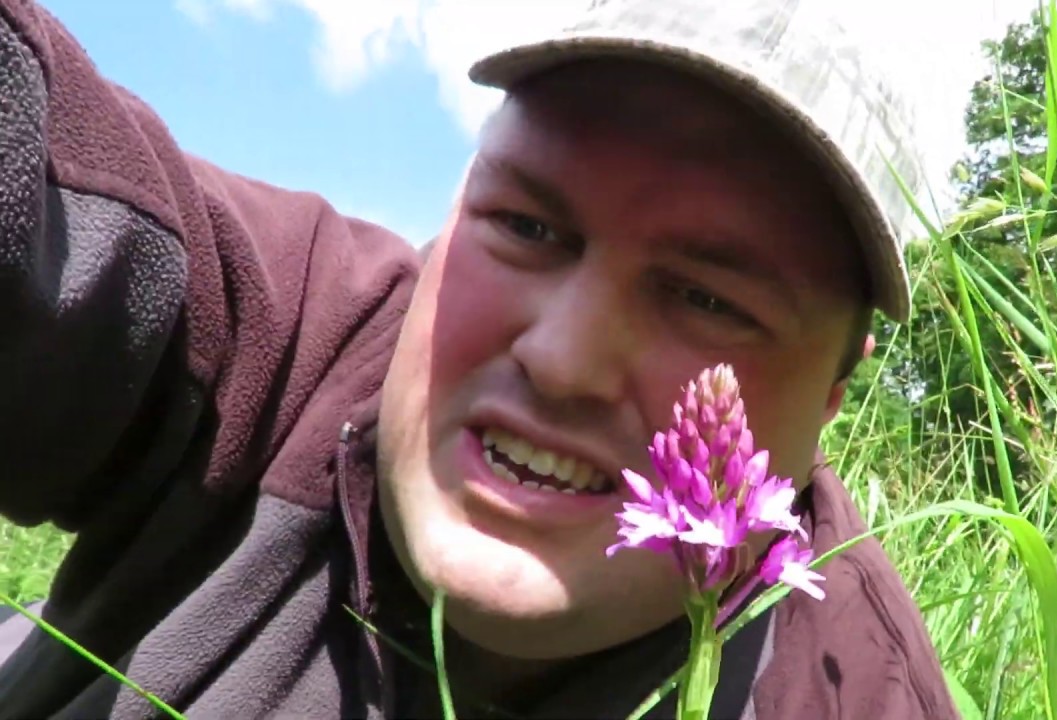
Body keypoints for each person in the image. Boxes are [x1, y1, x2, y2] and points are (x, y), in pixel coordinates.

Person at [0, 0, 959, 717]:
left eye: (710, 299)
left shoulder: (853, 687)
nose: (562, 361)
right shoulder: (275, 325)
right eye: (529, 226)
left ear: (835, 397)